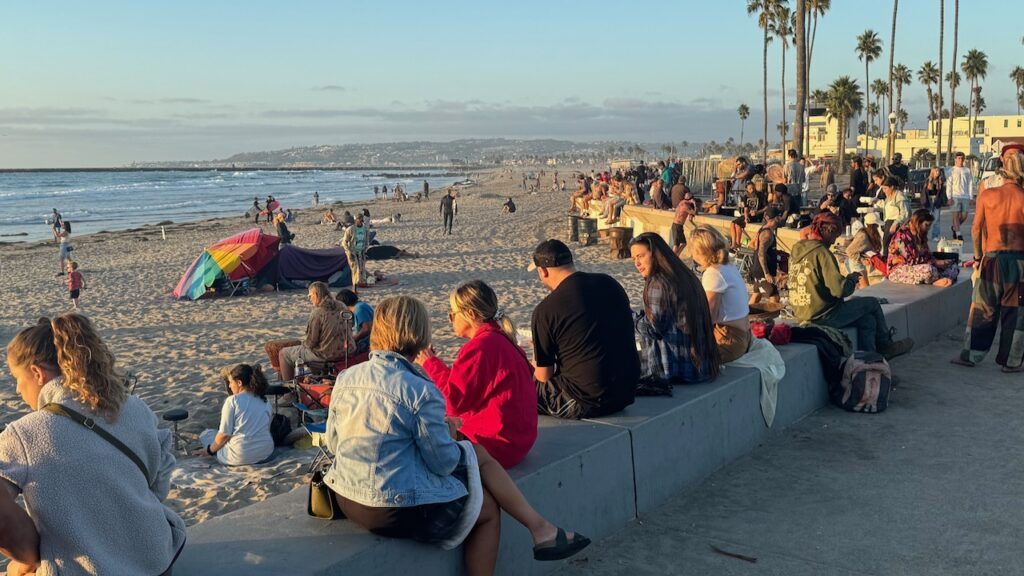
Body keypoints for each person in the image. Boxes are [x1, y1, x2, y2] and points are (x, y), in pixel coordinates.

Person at [323, 296, 590, 574]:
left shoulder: (347, 377)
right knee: (486, 509)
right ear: (419, 332)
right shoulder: (421, 390)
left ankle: (542, 529)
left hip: (347, 497)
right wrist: (450, 435)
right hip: (390, 508)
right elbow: (443, 463)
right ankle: (541, 530)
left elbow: (333, 442)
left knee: (476, 453)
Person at [1, 315, 186, 574]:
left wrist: (30, 558)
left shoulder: (24, 433)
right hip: (157, 558)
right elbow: (160, 476)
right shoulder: (135, 408)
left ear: (36, 373)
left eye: (16, 379)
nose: (19, 391)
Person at [416, 281, 537, 469]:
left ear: (470, 314)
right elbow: (468, 387)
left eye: (453, 314)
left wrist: (429, 363)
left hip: (496, 445)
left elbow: (453, 401)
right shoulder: (500, 338)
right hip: (519, 440)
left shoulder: (481, 347)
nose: (450, 319)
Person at [529, 239, 639, 418]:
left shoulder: (545, 310)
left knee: (522, 388)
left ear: (542, 271)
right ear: (570, 262)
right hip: (626, 391)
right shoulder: (610, 283)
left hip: (587, 400)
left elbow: (543, 376)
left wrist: (535, 357)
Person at [789, 212, 914, 357]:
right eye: (834, 237)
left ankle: (871, 364)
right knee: (872, 303)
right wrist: (852, 279)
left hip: (802, 313)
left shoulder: (797, 249)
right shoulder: (822, 253)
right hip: (823, 316)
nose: (833, 242)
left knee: (867, 321)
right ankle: (886, 346)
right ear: (829, 230)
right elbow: (839, 290)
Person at [954, 143, 1024, 372]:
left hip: (992, 258)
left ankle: (971, 355)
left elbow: (975, 229)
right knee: (1015, 312)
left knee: (983, 309)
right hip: (1019, 262)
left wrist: (977, 258)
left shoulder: (988, 194)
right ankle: (1011, 362)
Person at [629, 233, 720, 383]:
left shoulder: (658, 282)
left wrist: (628, 317)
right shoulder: (684, 275)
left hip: (677, 369)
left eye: (641, 256)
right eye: (634, 259)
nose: (637, 263)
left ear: (655, 254)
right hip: (701, 366)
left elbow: (653, 329)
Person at [688, 226, 752, 363]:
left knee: (685, 359)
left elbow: (709, 317)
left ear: (699, 252)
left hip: (729, 339)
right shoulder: (729, 267)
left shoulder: (713, 273)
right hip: (744, 334)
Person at [196, 364, 274, 466]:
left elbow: (224, 435)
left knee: (207, 435)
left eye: (231, 382)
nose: (229, 386)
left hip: (240, 457)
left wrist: (209, 451)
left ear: (239, 383)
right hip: (266, 453)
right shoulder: (265, 400)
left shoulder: (233, 400)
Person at [278, 282, 351, 381]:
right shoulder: (342, 305)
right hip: (347, 350)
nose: (309, 299)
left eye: (310, 296)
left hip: (326, 354)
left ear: (316, 294)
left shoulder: (318, 313)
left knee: (284, 354)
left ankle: (289, 391)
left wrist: (303, 344)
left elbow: (311, 342)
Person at [885, 209, 959, 286]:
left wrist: (942, 262)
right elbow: (911, 261)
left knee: (953, 267)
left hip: (922, 266)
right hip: (900, 270)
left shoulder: (920, 235)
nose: (928, 228)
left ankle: (936, 278)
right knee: (928, 270)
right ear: (918, 223)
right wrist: (935, 263)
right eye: (926, 225)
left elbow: (927, 254)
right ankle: (935, 280)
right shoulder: (902, 235)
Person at [749, 207, 784, 302]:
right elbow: (761, 254)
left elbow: (751, 244)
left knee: (757, 296)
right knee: (775, 298)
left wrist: (772, 252)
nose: (781, 219)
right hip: (763, 272)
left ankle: (747, 315)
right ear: (776, 218)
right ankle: (769, 317)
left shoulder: (762, 229)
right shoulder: (767, 234)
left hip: (757, 270)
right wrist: (767, 273)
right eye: (780, 217)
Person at [845, 212, 884, 289]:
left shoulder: (870, 234)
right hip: (855, 263)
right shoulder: (863, 235)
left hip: (858, 262)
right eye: (875, 225)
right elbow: (849, 251)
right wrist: (862, 260)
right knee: (865, 288)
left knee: (859, 288)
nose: (877, 227)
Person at [876, 176, 910, 259]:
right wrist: (876, 203)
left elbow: (905, 213)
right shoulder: (889, 196)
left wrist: (896, 224)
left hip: (897, 225)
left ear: (892, 187)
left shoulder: (899, 197)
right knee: (886, 245)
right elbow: (886, 207)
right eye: (883, 189)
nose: (884, 191)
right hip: (888, 223)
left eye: (885, 188)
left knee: (894, 246)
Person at [730, 181, 767, 250]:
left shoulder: (760, 195)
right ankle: (734, 243)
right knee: (732, 223)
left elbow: (766, 207)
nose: (752, 190)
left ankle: (737, 243)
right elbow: (746, 209)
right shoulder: (745, 197)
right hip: (749, 215)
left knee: (738, 224)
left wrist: (758, 212)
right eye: (750, 189)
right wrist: (746, 217)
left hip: (757, 216)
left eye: (753, 188)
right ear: (747, 189)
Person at [337, 288, 373, 355]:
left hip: (369, 342)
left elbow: (367, 329)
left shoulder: (359, 308)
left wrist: (353, 339)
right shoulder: (358, 307)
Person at [947, 151, 974, 240]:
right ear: (955, 159)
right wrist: (949, 197)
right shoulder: (951, 170)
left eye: (962, 158)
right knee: (955, 215)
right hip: (955, 196)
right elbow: (949, 184)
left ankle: (955, 227)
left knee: (964, 215)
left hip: (965, 196)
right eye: (959, 158)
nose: (960, 160)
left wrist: (971, 197)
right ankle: (958, 234)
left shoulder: (967, 170)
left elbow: (970, 183)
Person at [342, 214, 370, 292]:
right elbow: (344, 242)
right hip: (352, 252)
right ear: (356, 220)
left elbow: (367, 240)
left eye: (361, 220)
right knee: (355, 270)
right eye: (358, 219)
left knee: (362, 269)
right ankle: (354, 288)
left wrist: (365, 250)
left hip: (361, 252)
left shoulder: (365, 229)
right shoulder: (350, 229)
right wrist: (348, 251)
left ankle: (360, 284)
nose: (360, 221)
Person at [925, 166, 948, 240]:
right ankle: (924, 235)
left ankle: (935, 235)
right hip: (929, 200)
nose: (938, 173)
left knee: (937, 219)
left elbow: (943, 192)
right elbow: (925, 192)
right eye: (936, 171)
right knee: (926, 219)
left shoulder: (940, 181)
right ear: (933, 172)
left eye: (939, 171)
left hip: (937, 200)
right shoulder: (928, 180)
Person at [670, 190, 695, 255]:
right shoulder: (686, 206)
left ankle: (676, 256)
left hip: (677, 225)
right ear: (691, 199)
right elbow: (695, 212)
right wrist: (694, 203)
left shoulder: (682, 202)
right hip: (677, 226)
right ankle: (673, 258)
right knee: (676, 245)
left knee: (683, 243)